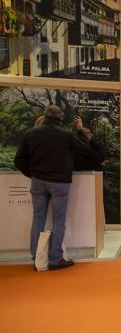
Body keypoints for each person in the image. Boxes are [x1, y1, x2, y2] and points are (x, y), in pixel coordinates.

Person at [14, 106, 91, 271]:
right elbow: (85, 150)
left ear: (45, 116)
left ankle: (37, 258)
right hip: (60, 182)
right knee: (58, 220)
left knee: (38, 219)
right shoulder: (66, 135)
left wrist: (33, 174)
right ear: (60, 118)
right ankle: (55, 259)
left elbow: (18, 160)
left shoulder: (31, 134)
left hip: (38, 181)